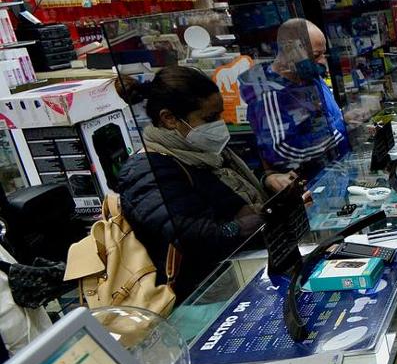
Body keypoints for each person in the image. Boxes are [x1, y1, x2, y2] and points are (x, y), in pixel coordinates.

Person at [115, 66, 268, 301]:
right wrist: (252, 222)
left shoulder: (205, 152)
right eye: (209, 118)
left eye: (219, 116)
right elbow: (192, 238)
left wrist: (268, 182)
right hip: (203, 297)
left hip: (244, 273)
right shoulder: (148, 172)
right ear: (169, 119)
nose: (219, 125)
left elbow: (233, 196)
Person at [240, 17, 350, 184]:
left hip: (338, 172)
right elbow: (281, 150)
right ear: (290, 49)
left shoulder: (309, 77)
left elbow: (328, 119)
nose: (323, 62)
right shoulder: (269, 94)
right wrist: (340, 129)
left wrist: (346, 118)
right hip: (313, 184)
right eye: (316, 55)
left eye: (324, 54)